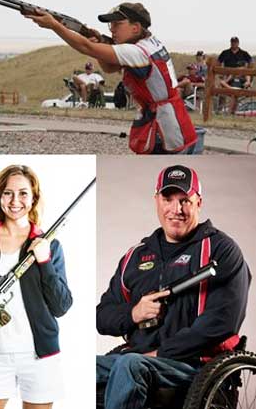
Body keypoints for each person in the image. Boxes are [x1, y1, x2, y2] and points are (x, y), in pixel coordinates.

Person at [96, 164, 251, 409]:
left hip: (193, 365)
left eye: (185, 200)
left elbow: (221, 322)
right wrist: (134, 313)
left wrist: (159, 354)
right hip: (137, 359)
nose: (176, 209)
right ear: (156, 200)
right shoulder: (135, 257)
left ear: (198, 202)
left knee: (128, 365)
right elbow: (102, 316)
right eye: (168, 199)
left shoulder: (220, 250)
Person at [0, 164, 73, 409]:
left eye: (23, 193)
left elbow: (61, 306)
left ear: (33, 199)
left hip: (39, 357)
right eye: (8, 193)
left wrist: (45, 261)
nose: (15, 200)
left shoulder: (50, 246)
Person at [24, 3, 197, 154]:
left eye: (117, 24)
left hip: (166, 131)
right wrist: (98, 42)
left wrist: (55, 25)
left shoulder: (137, 52)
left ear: (135, 28)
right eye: (111, 25)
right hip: (169, 123)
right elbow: (109, 67)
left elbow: (86, 48)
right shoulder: (148, 43)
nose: (112, 29)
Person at [217, 37, 253, 114]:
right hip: (228, 76)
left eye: (235, 42)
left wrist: (248, 79)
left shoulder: (244, 53)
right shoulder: (225, 52)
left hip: (241, 77)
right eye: (232, 42)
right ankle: (220, 109)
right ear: (230, 43)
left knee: (235, 92)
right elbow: (218, 63)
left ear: (238, 43)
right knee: (222, 88)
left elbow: (251, 63)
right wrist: (221, 73)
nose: (234, 43)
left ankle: (232, 111)